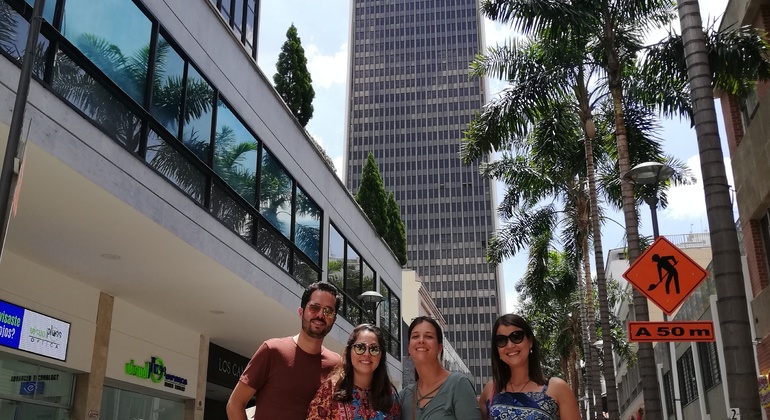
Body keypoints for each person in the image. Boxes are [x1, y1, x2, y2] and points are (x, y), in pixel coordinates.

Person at [226, 282, 343, 420]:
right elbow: (235, 404)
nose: (320, 315)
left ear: (333, 320)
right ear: (301, 312)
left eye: (328, 311)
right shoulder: (272, 350)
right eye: (314, 307)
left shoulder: (337, 364)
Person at [479, 314, 580, 420]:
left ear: (530, 341)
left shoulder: (557, 388)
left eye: (516, 337)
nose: (510, 345)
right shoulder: (491, 389)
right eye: (501, 340)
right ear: (497, 350)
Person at [307, 324, 401, 419]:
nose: (366, 354)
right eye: (360, 347)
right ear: (350, 351)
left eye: (374, 349)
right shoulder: (330, 390)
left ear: (381, 356)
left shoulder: (390, 396)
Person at [399, 316, 480, 420]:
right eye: (415, 336)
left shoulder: (458, 384)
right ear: (409, 348)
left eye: (429, 336)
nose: (421, 340)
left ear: (440, 348)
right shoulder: (404, 396)